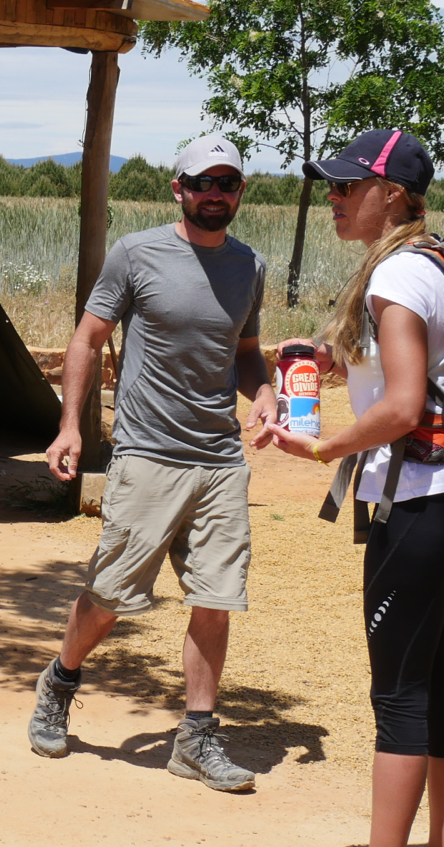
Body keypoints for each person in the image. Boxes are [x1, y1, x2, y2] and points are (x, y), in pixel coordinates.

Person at [260, 129, 444, 847]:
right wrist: (297, 368)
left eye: (346, 186)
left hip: (414, 506)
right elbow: (391, 365)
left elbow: (397, 406)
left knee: (398, 697)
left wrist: (319, 448)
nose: (332, 198)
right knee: (440, 687)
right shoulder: (435, 260)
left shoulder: (395, 272)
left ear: (392, 195)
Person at [34, 135, 275, 791]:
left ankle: (196, 739)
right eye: (203, 182)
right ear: (179, 188)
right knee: (111, 597)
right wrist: (70, 427)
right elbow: (88, 338)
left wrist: (269, 391)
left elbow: (246, 352)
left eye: (227, 183)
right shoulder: (136, 253)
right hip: (146, 453)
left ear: (239, 192)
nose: (214, 194)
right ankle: (60, 679)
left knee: (216, 598)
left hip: (219, 459)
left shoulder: (249, 265)